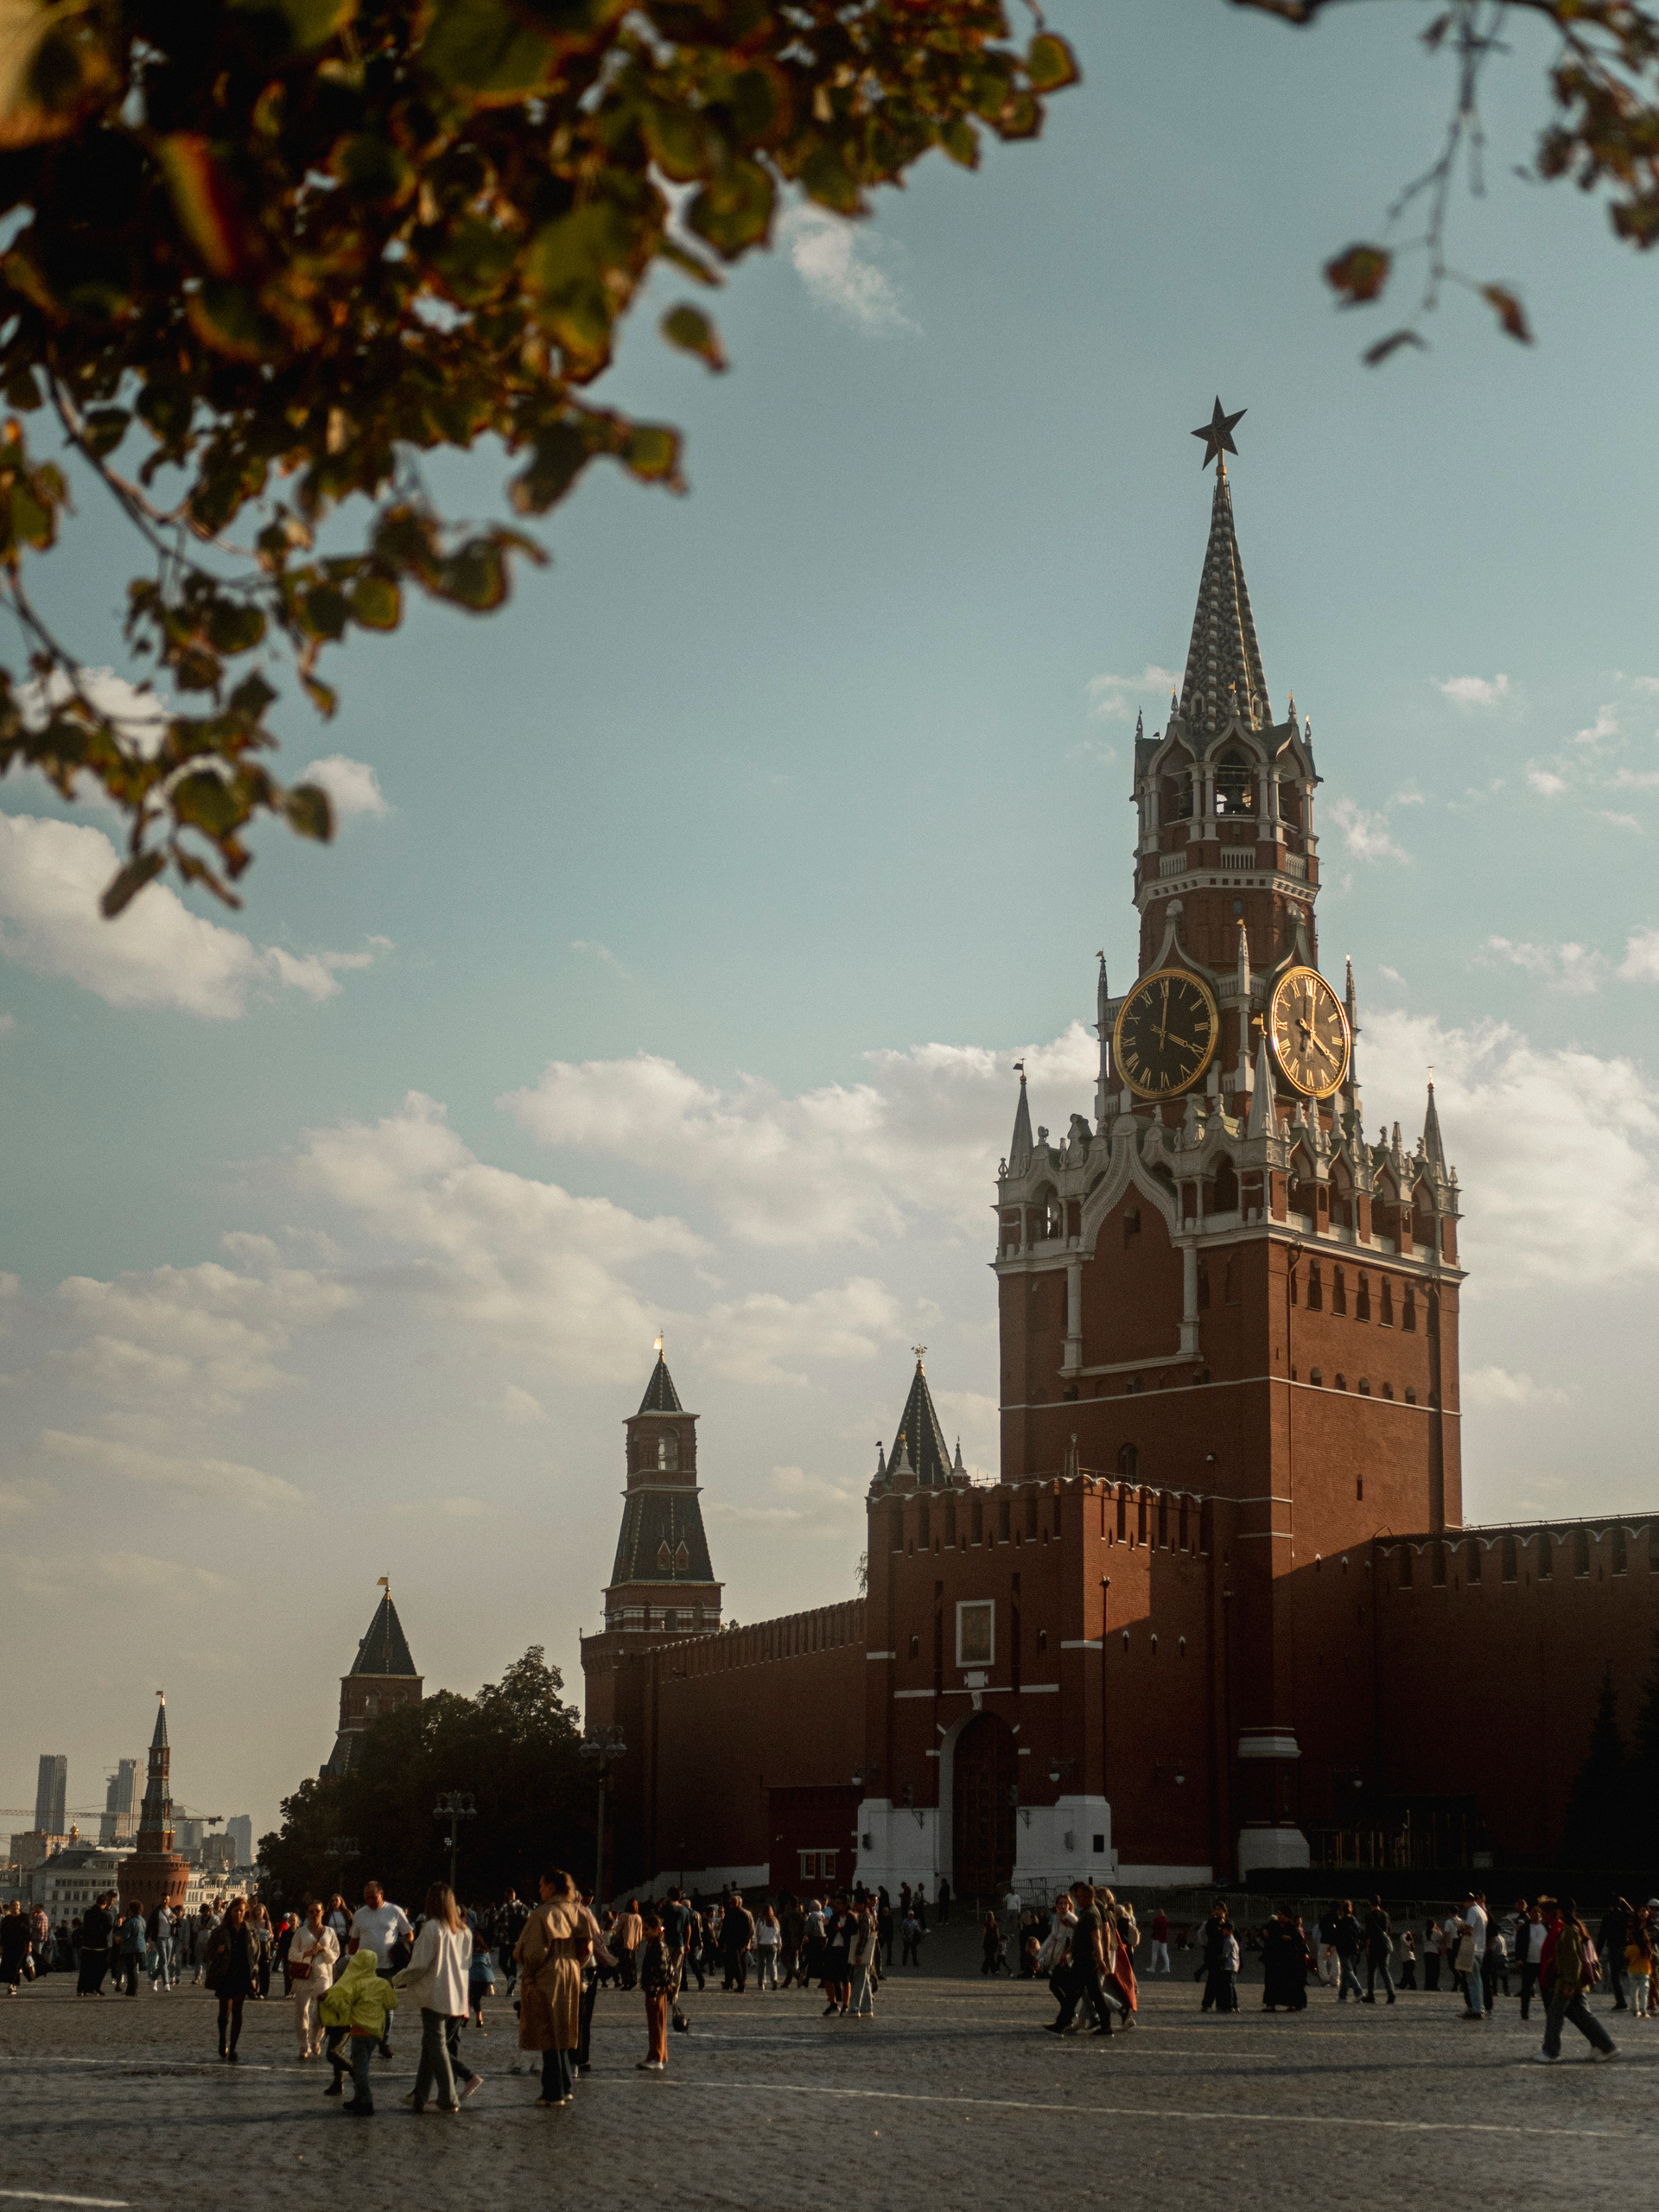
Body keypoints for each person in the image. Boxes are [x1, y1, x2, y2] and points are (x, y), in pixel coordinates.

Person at [515, 1870, 591, 2109]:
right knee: (565, 2030)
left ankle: (552, 2092)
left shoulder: (543, 1913)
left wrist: (529, 1973)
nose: (539, 1890)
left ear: (551, 1886)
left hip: (549, 1972)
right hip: (572, 1969)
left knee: (548, 2031)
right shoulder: (578, 1911)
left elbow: (534, 1951)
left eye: (541, 1885)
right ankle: (565, 2086)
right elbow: (587, 1947)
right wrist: (575, 1965)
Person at [395, 1881, 474, 2115]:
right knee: (430, 2044)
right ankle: (419, 2096)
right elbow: (466, 1964)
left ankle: (448, 2097)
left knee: (436, 2044)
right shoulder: (464, 1930)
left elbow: (419, 1965)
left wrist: (396, 1980)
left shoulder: (432, 1928)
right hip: (455, 1993)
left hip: (434, 1992)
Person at [1535, 1898, 1618, 2064]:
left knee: (1555, 2015)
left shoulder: (1569, 1931)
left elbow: (1573, 1960)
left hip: (1567, 1982)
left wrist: (1569, 1984)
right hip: (1572, 1982)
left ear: (1561, 1911)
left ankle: (1551, 2052)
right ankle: (1604, 2046)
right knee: (1583, 2015)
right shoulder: (1574, 1928)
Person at [320, 1947, 397, 2113]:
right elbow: (392, 2004)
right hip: (376, 2032)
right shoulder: (382, 1983)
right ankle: (358, 2098)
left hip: (360, 2030)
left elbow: (344, 2007)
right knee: (363, 2064)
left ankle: (366, 2101)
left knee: (360, 2068)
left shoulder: (356, 1985)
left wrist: (327, 2000)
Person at [348, 1880, 411, 2062]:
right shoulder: (360, 1914)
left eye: (373, 1897)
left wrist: (401, 1950)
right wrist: (351, 1963)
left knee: (387, 2007)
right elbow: (354, 1941)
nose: (370, 1901)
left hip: (388, 1968)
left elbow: (408, 1934)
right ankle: (365, 2040)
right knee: (364, 2005)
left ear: (381, 1895)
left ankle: (384, 2042)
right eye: (366, 1898)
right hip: (366, 1969)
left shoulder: (394, 1911)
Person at [205, 1897, 262, 2063]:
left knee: (238, 2011)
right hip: (226, 1973)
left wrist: (254, 1971)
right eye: (236, 1911)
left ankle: (233, 2048)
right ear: (230, 1912)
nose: (239, 1914)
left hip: (242, 1973)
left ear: (246, 1912)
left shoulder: (250, 1931)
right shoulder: (221, 1931)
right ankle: (222, 2039)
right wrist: (218, 1951)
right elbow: (208, 1952)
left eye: (241, 1911)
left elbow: (256, 1953)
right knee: (224, 2012)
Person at [289, 1897, 340, 2059]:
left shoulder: (330, 1932)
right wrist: (307, 1953)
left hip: (323, 1975)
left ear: (323, 1912)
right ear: (307, 1914)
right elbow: (292, 1954)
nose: (315, 1914)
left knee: (320, 2011)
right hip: (304, 1976)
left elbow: (335, 1955)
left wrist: (324, 1949)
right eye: (311, 1912)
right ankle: (303, 2045)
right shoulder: (300, 1933)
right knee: (302, 2011)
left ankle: (315, 2039)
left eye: (318, 1911)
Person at [1199, 1904, 1237, 2014]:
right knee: (1212, 1980)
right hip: (1213, 1954)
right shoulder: (1210, 1923)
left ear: (1225, 1911)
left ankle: (1222, 2004)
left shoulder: (1229, 1923)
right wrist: (1218, 1925)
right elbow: (1212, 1935)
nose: (1217, 1911)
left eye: (1220, 1910)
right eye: (1216, 1909)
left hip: (1225, 1956)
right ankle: (1207, 2004)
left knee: (1223, 1982)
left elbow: (1235, 1935)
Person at [1456, 1892, 1487, 2023]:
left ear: (1468, 1901)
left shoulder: (1472, 1911)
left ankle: (1476, 2010)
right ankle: (1480, 2007)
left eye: (1464, 1903)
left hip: (1473, 1949)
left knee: (1472, 1981)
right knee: (1478, 1980)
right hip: (1480, 1949)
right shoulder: (1481, 1911)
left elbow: (1469, 1930)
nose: (1464, 1906)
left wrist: (1461, 1928)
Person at [1598, 1897, 1631, 2013]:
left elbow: (1602, 1936)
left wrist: (1597, 1951)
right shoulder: (1625, 1915)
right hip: (1626, 1947)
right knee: (1631, 1973)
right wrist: (1626, 1903)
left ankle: (1621, 2001)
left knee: (1615, 1975)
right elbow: (1633, 1914)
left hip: (1614, 1947)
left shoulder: (1608, 1918)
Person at [1363, 1897, 1396, 2005]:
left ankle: (1371, 1995)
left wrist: (1367, 1948)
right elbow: (1389, 1931)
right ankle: (1391, 1992)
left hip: (1374, 1945)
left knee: (1372, 1971)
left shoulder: (1369, 1916)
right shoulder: (1385, 1915)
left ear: (1370, 1903)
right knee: (1384, 1970)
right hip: (1384, 1945)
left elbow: (1368, 1934)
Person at [849, 1904, 879, 2019]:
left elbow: (863, 1937)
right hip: (866, 1953)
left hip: (862, 1953)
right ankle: (866, 2008)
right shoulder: (870, 1917)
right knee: (865, 1981)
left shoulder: (864, 1918)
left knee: (858, 1981)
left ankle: (854, 2008)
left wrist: (858, 1952)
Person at [116, 1901, 148, 1998]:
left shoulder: (131, 1922)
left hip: (131, 1948)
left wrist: (119, 1936)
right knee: (133, 1970)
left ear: (132, 1910)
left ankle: (131, 1990)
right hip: (141, 1948)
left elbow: (125, 1936)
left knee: (131, 1970)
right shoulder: (142, 1920)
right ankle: (132, 1989)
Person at [1624, 1917, 1653, 2018]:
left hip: (1633, 1971)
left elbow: (1626, 1960)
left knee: (1633, 1991)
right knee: (1644, 1992)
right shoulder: (1646, 1948)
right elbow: (1650, 1958)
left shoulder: (1630, 1948)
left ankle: (1636, 2011)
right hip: (1645, 1971)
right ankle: (1644, 2011)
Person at [1, 1901, 32, 1995]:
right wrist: (1, 1946)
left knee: (16, 1964)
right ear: (10, 1907)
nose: (16, 1907)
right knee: (10, 1965)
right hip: (9, 1945)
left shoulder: (24, 1917)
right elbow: (3, 1933)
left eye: (17, 1905)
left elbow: (28, 1932)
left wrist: (29, 1944)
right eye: (14, 1905)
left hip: (21, 1945)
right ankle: (14, 1984)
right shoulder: (7, 1919)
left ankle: (12, 1984)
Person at [753, 1903, 781, 1991]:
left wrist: (755, 1946)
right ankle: (774, 1979)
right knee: (772, 1963)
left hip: (762, 1944)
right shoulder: (775, 1921)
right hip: (772, 1945)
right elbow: (778, 1934)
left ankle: (761, 1983)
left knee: (761, 1965)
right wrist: (779, 1946)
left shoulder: (760, 1920)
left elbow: (757, 1934)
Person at [1147, 1907, 1171, 1977]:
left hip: (1156, 1938)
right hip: (1163, 1938)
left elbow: (1155, 1927)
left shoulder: (1157, 1919)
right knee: (1164, 1953)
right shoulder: (1165, 1919)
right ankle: (1167, 1967)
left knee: (1154, 1952)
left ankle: (1152, 1967)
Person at [899, 1904, 923, 1969]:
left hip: (913, 1938)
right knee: (906, 1950)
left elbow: (918, 1928)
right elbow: (902, 1928)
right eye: (910, 1914)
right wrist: (903, 1935)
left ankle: (915, 1962)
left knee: (914, 1951)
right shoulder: (905, 1921)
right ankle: (904, 1962)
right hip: (907, 1937)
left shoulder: (915, 1921)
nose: (911, 1916)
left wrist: (920, 1934)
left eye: (912, 1915)